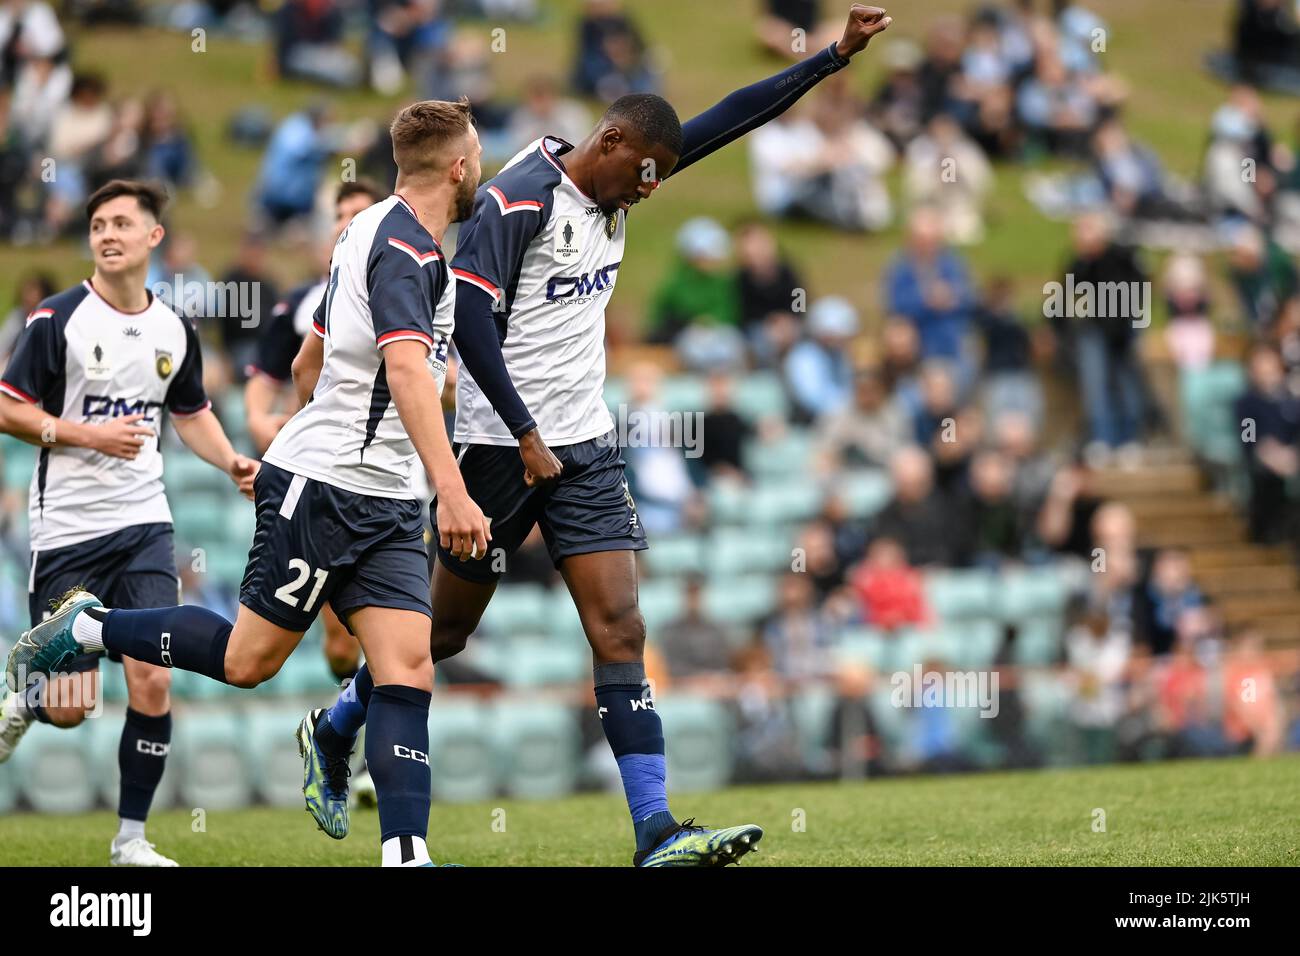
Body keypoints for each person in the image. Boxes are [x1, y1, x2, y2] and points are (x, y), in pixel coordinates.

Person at [309, 3, 895, 868]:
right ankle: (336, 727)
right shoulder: (518, 198)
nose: (650, 191)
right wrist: (523, 429)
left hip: (583, 446)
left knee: (619, 625)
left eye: (662, 176)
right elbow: (470, 325)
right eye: (644, 173)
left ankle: (655, 830)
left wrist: (833, 57)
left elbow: (736, 114)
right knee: (440, 636)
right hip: (497, 448)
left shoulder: (631, 173)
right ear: (611, 140)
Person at [7, 101, 489, 868]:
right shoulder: (404, 247)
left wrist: (323, 435)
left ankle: (407, 856)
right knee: (247, 663)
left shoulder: (373, 234)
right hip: (333, 491)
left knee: (408, 667)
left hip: (386, 496)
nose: (482, 171)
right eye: (479, 158)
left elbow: (308, 363)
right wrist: (447, 486)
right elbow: (402, 368)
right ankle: (88, 629)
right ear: (460, 167)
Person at [0, 179, 256, 866]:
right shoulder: (58, 321)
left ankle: (131, 840)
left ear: (153, 237)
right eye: (97, 225)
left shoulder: (175, 328)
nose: (107, 234)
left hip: (145, 523)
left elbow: (192, 412)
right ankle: (25, 699)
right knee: (69, 707)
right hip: (68, 530)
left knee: (153, 678)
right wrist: (85, 435)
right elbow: (8, 406)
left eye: (121, 223)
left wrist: (231, 459)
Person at [244, 179, 386, 689]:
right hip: (323, 477)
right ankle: (340, 739)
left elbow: (441, 381)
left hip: (397, 479)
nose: (348, 222)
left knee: (394, 634)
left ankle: (352, 749)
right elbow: (264, 386)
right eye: (340, 213)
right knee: (341, 635)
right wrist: (265, 425)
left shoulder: (412, 286)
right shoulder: (303, 304)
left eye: (360, 212)